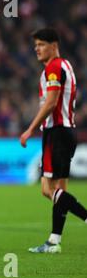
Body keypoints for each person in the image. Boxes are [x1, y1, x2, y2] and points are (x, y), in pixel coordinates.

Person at [20, 28, 87, 253]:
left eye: (41, 44)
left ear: (54, 45)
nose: (37, 49)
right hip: (67, 132)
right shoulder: (65, 66)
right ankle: (54, 241)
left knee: (47, 189)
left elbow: (50, 103)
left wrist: (30, 129)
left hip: (56, 132)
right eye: (35, 45)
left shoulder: (54, 67)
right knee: (60, 190)